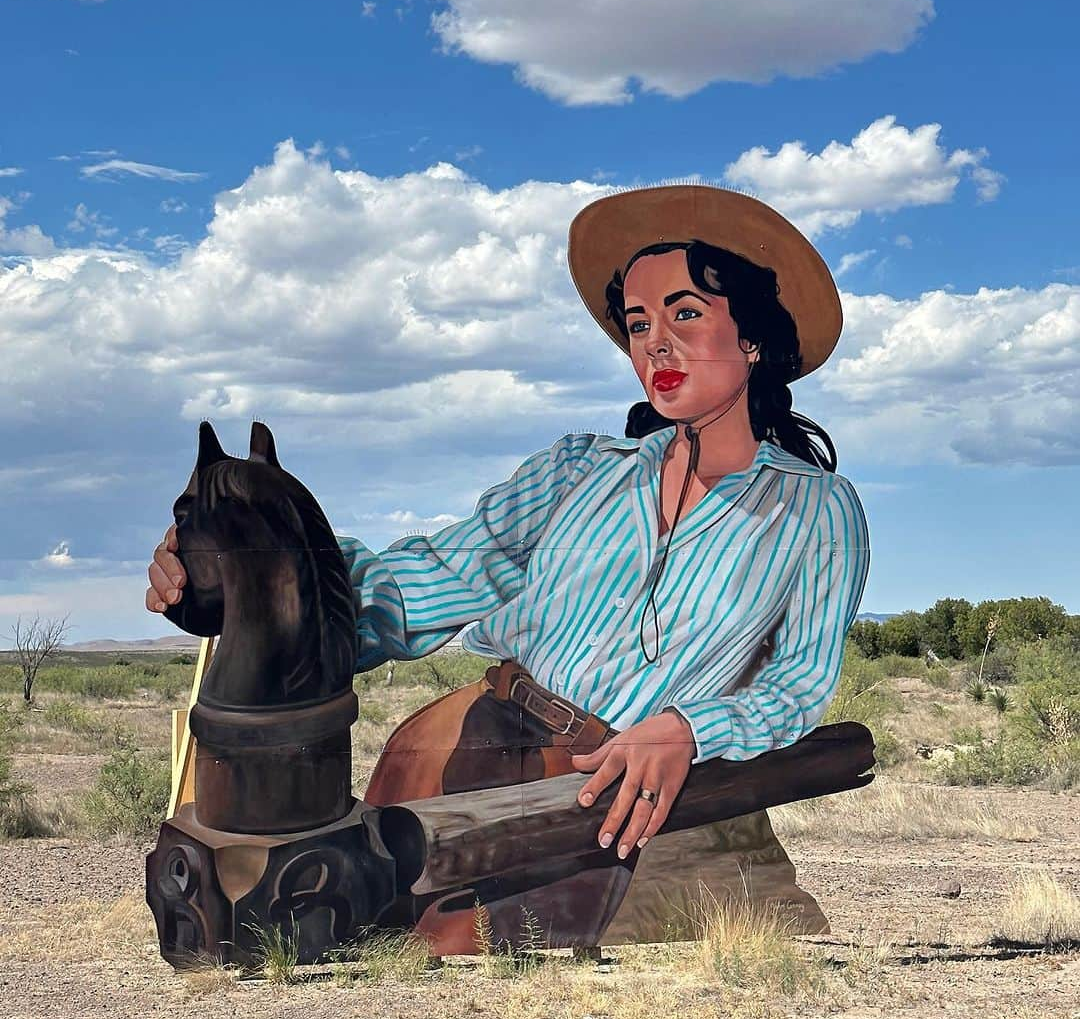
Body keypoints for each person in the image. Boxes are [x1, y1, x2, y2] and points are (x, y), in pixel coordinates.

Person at [147, 184, 870, 866]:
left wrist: (689, 729)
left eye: (685, 314)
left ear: (753, 340)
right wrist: (252, 576)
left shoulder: (815, 511)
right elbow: (438, 573)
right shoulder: (576, 470)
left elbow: (798, 684)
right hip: (465, 738)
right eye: (638, 323)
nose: (654, 344)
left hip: (612, 784)